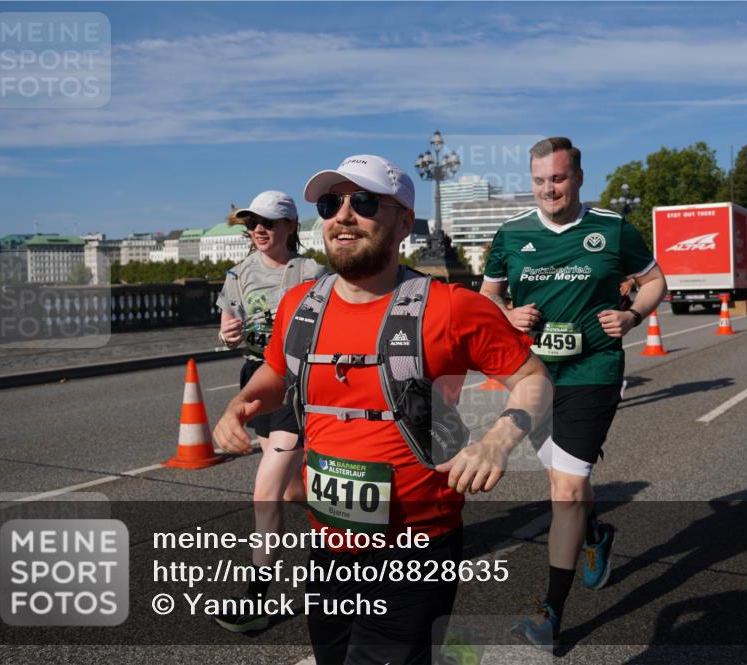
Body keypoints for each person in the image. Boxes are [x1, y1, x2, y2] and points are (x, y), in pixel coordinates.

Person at [213, 154, 551, 664]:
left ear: (404, 223)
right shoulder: (300, 306)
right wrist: (240, 403)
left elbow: (533, 380)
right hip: (328, 545)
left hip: (418, 545)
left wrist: (497, 441)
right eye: (331, 203)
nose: (342, 215)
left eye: (364, 202)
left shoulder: (453, 306)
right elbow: (278, 373)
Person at [480, 137, 666, 648]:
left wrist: (632, 315)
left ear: (578, 178)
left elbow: (656, 281)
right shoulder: (512, 234)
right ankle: (595, 534)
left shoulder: (610, 228)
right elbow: (488, 296)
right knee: (567, 483)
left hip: (593, 371)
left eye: (558, 179)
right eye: (540, 180)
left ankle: (549, 612)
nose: (548, 189)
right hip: (534, 375)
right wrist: (508, 315)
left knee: (564, 490)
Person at [214, 191, 321, 632]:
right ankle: (361, 531)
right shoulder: (238, 275)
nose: (260, 229)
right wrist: (227, 335)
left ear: (291, 227)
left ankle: (256, 597)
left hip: (296, 386)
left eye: (271, 222)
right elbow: (228, 330)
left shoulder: (313, 273)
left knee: (265, 492)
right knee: (295, 491)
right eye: (254, 222)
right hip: (256, 379)